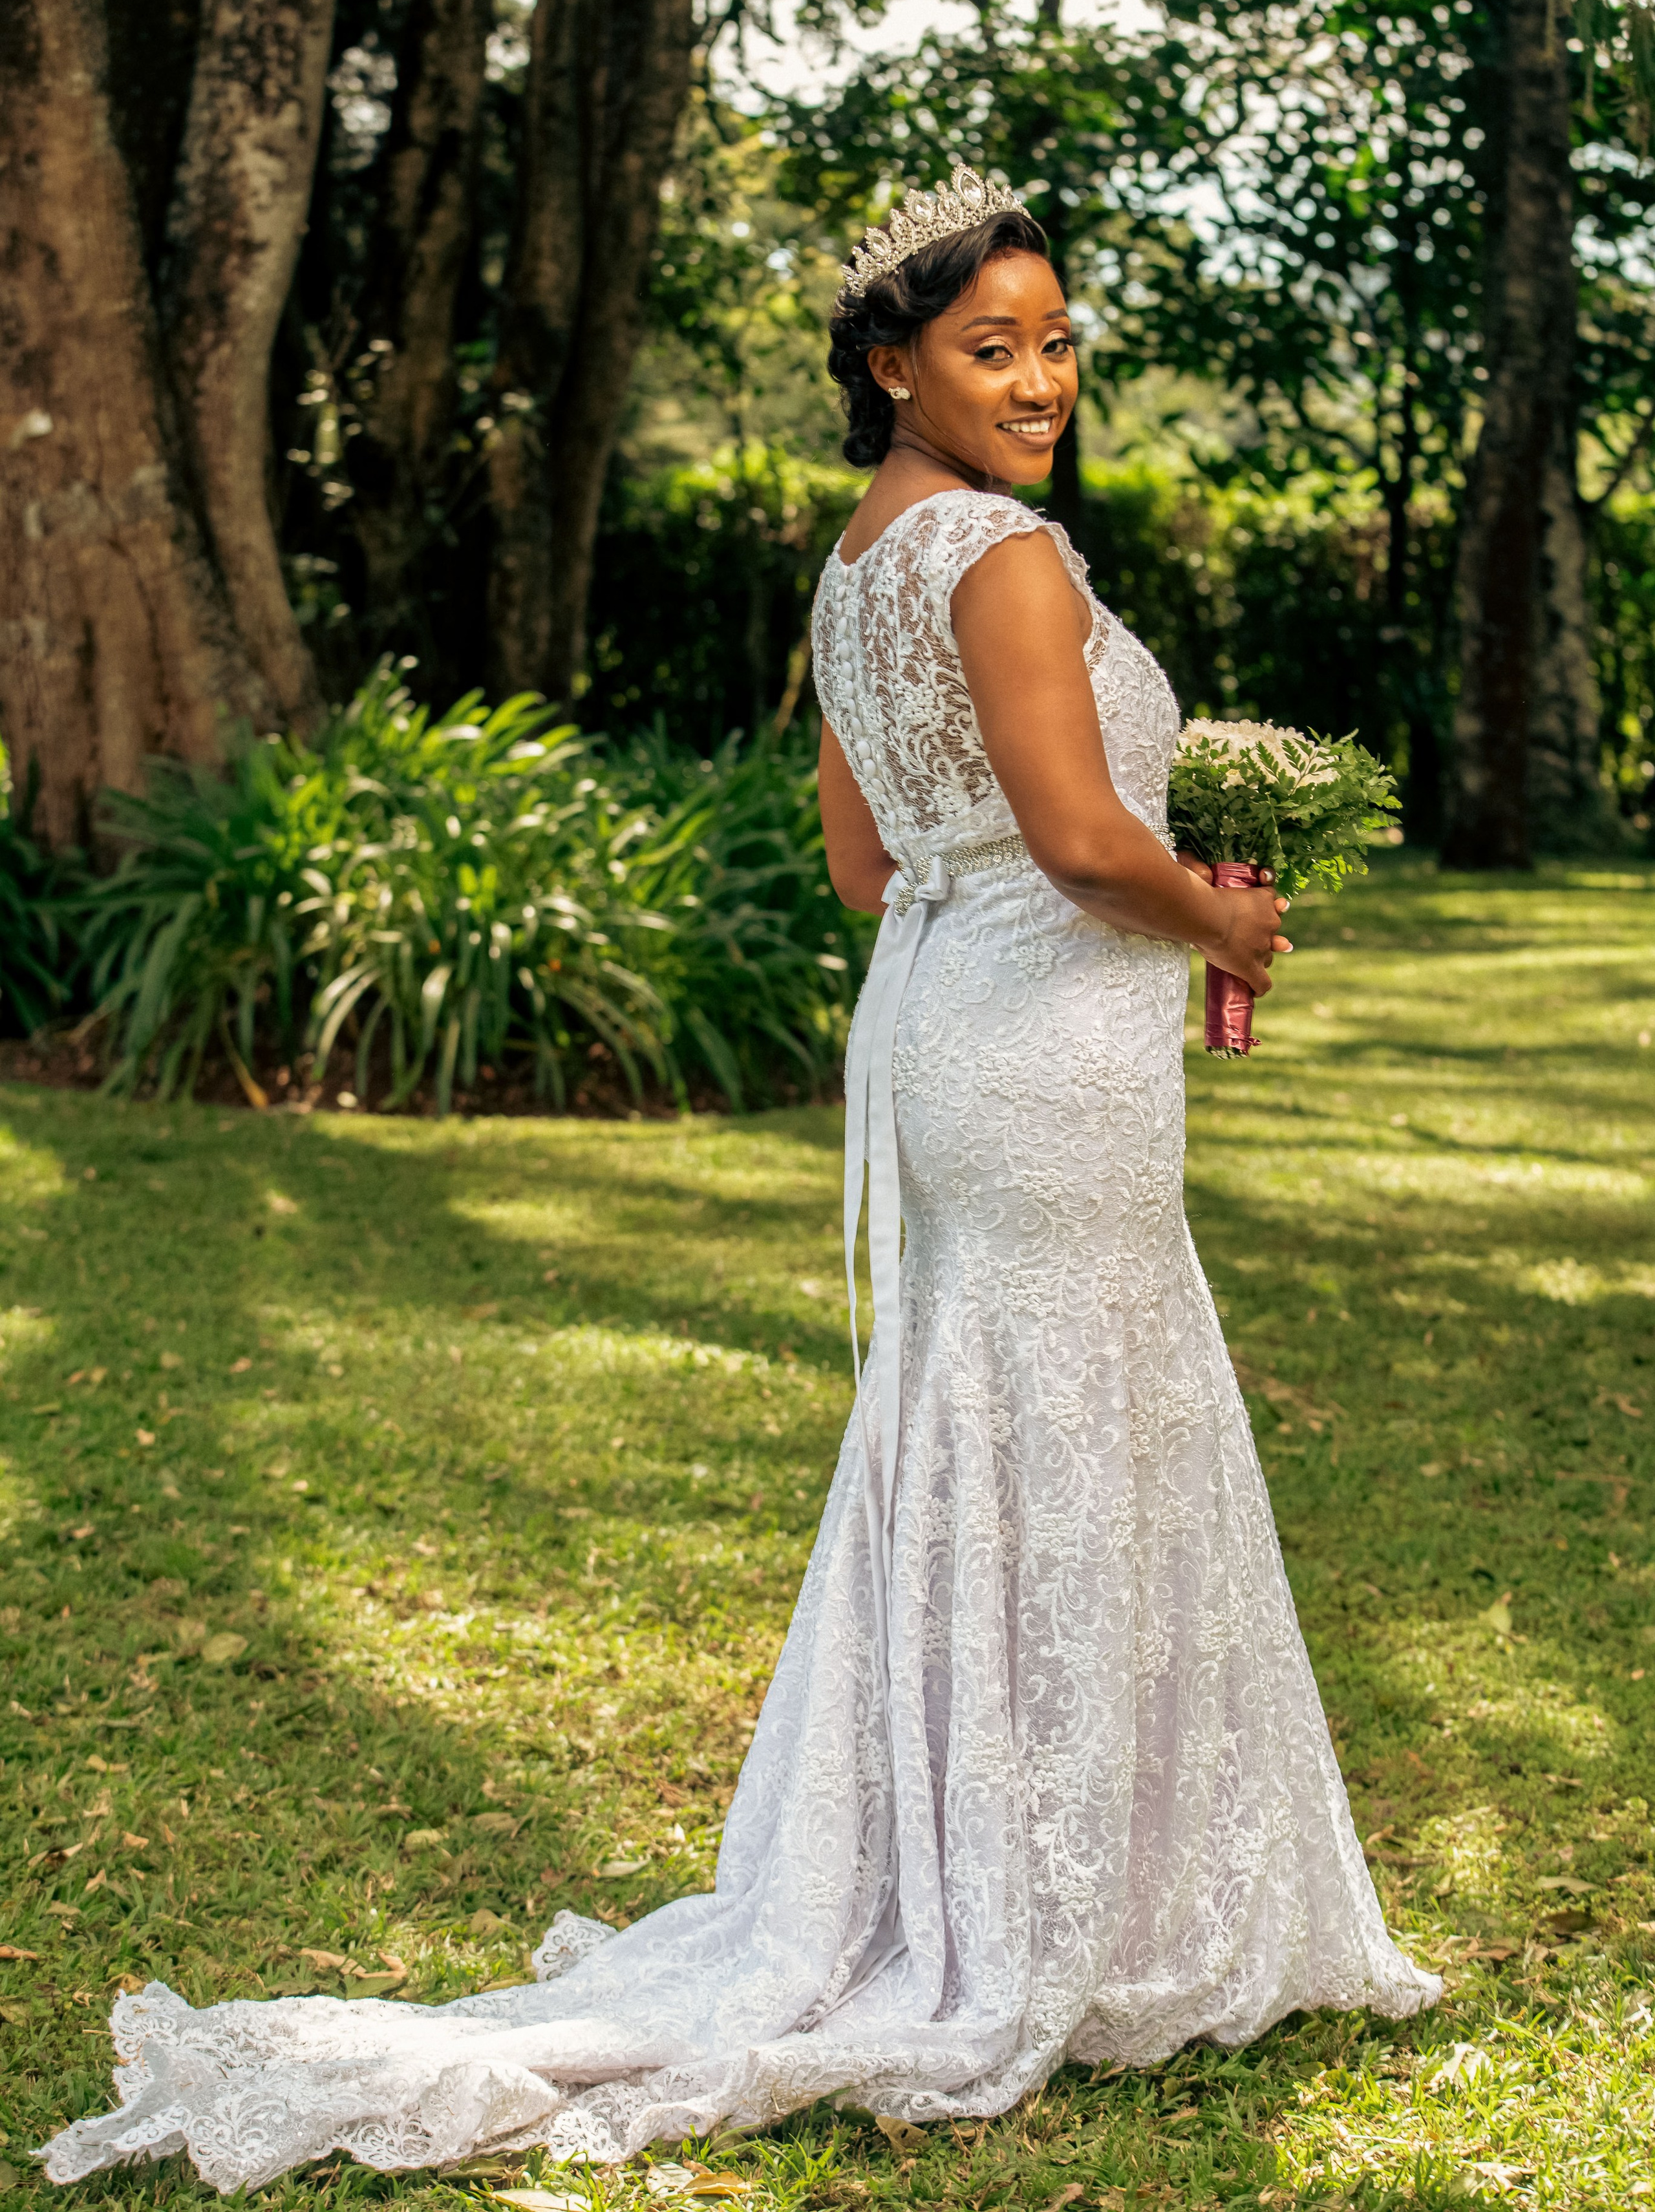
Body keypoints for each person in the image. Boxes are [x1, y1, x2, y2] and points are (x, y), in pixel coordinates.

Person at [44, 167, 1436, 2197]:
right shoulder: (1012, 561)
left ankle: (996, 1880)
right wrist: (1216, 918)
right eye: (993, 348)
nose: (1041, 379)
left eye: (1056, 343)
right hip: (1048, 1048)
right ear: (895, 365)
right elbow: (1070, 837)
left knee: (985, 1427)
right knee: (1080, 1424)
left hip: (943, 1027)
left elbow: (875, 869)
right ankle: (1062, 1914)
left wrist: (1141, 873)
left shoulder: (858, 565)